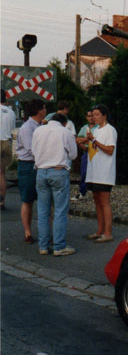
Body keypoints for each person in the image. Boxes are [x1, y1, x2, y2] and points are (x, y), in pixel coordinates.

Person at [32, 113, 78, 256]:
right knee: (60, 210)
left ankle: (43, 246)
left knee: (43, 211)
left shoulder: (38, 130)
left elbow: (33, 151)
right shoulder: (65, 132)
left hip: (41, 172)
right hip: (58, 171)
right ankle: (59, 246)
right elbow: (73, 155)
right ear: (64, 123)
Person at [15, 99, 47, 244]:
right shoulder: (27, 128)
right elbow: (31, 149)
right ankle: (27, 232)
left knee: (44, 199)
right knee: (27, 199)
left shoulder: (41, 126)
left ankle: (45, 232)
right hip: (28, 165)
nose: (45, 110)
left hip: (40, 164)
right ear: (39, 110)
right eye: (44, 108)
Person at [86, 104, 118, 243]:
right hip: (94, 171)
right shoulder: (96, 130)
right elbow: (94, 148)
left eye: (97, 114)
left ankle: (108, 232)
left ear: (104, 115)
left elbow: (110, 150)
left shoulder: (110, 130)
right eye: (93, 115)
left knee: (104, 202)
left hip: (105, 172)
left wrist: (94, 140)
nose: (94, 117)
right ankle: (99, 230)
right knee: (97, 201)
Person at [71, 109, 95, 201]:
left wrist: (84, 140)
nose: (91, 118)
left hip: (96, 153)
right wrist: (84, 143)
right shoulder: (84, 128)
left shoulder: (98, 128)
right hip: (86, 152)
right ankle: (82, 192)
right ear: (86, 117)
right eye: (89, 116)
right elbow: (77, 140)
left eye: (92, 116)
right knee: (84, 172)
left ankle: (95, 193)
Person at [0, 90, 16, 211]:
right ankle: (1, 202)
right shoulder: (11, 112)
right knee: (2, 173)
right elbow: (12, 130)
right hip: (6, 143)